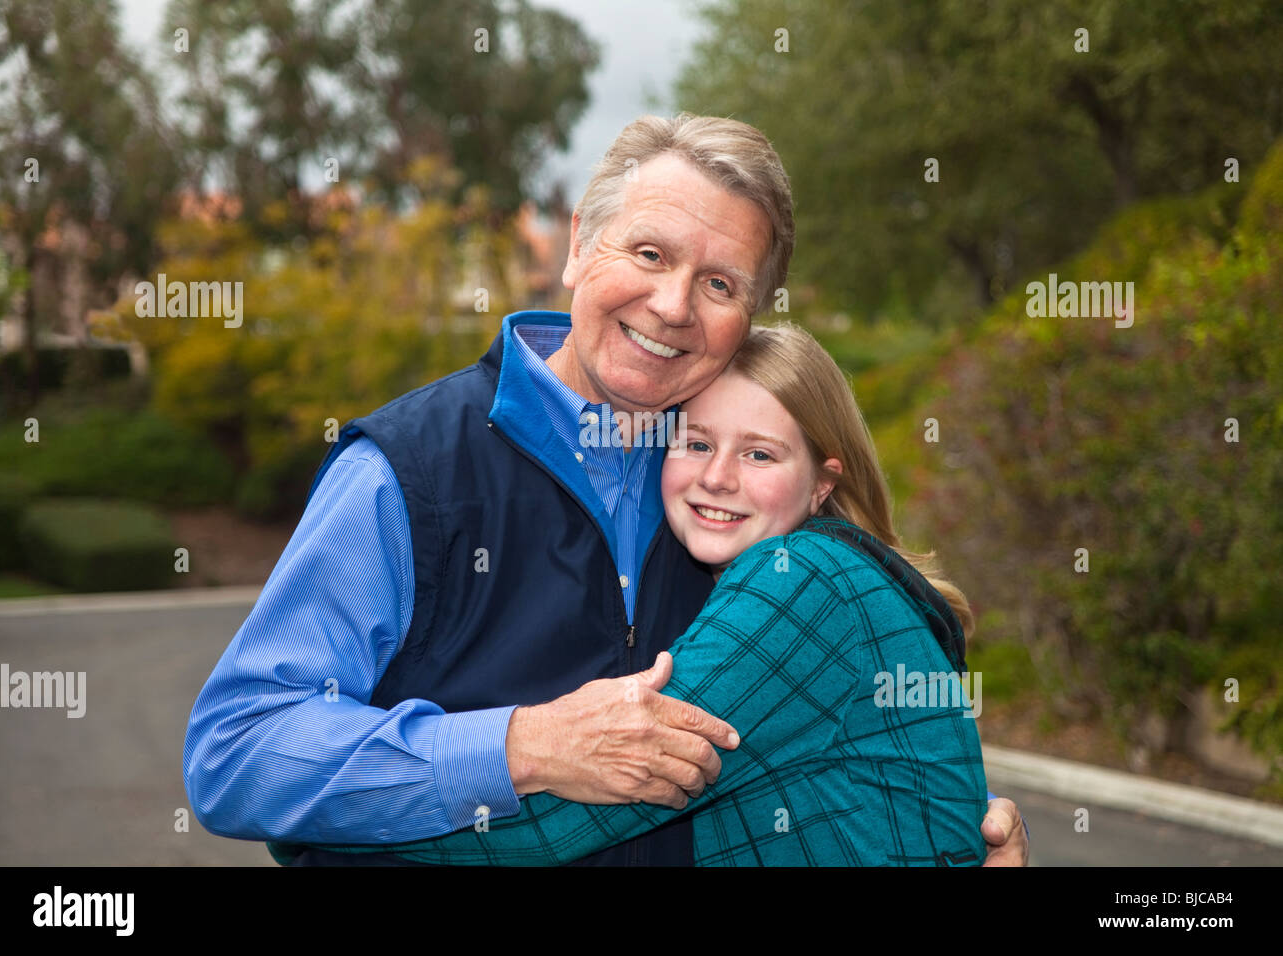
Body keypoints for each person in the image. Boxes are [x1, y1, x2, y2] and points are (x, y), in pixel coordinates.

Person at [183, 113, 1029, 866]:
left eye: (720, 283)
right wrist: (518, 746)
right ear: (580, 245)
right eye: (651, 253)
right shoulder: (406, 473)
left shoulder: (734, 508)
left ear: (753, 318)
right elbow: (237, 752)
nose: (672, 305)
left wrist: (946, 833)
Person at [271, 322, 988, 865]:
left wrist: (316, 830)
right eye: (697, 442)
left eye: (760, 453)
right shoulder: (841, 583)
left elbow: (564, 822)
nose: (717, 476)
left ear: (825, 481)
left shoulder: (802, 585)